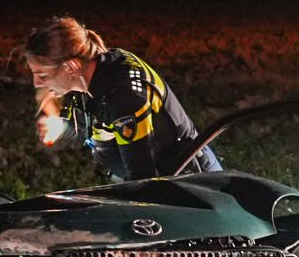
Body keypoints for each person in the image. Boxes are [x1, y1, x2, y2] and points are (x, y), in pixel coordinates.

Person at [23, 16, 218, 180]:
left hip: (188, 185)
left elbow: (142, 177)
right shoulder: (89, 77)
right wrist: (63, 129)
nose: (36, 84)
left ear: (71, 67)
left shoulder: (124, 95)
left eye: (42, 75)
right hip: (154, 183)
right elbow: (98, 129)